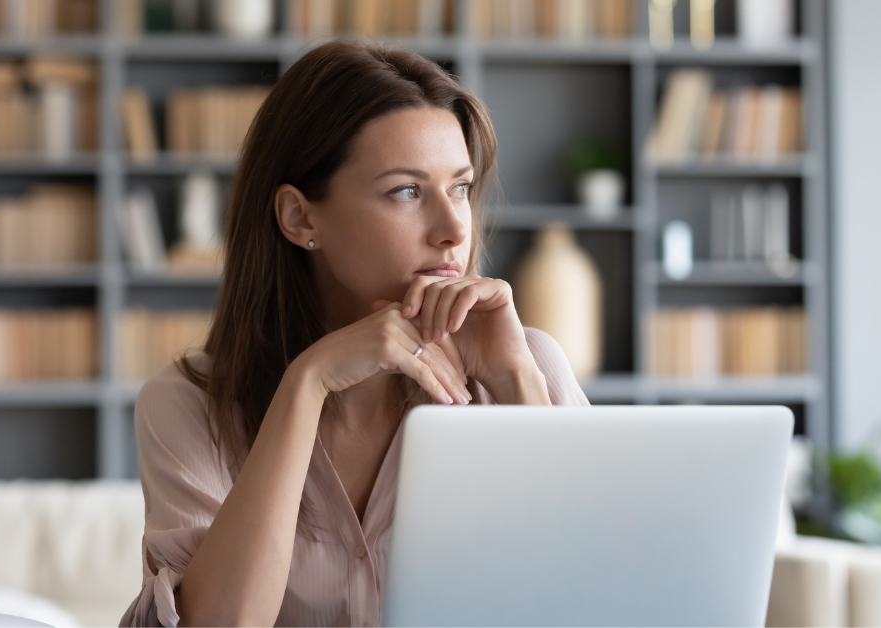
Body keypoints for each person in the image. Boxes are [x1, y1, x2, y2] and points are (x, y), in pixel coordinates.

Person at [120, 40, 590, 628]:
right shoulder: (188, 404)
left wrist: (517, 382)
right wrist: (307, 382)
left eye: (461, 188)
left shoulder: (526, 362)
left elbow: (597, 598)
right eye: (407, 191)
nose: (452, 230)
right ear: (300, 217)